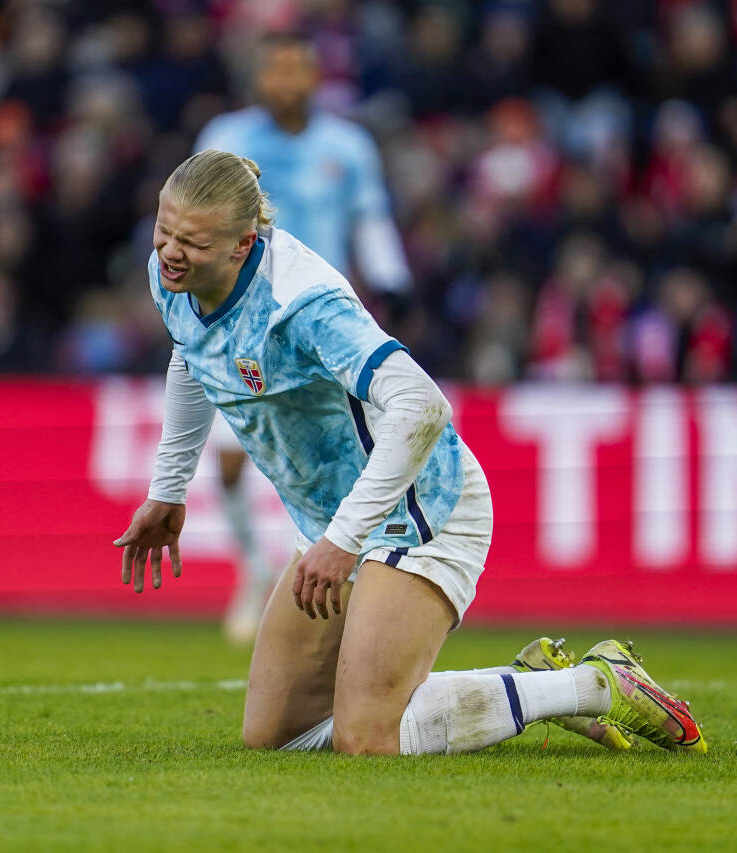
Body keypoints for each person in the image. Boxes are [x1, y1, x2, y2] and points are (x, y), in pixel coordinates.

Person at [113, 150, 708, 756]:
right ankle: (529, 685)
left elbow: (424, 406)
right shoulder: (172, 277)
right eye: (164, 231)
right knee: (275, 736)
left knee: (368, 737)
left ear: (244, 243)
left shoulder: (303, 306)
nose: (169, 252)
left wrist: (344, 540)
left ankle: (592, 685)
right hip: (335, 521)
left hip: (422, 509)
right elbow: (192, 352)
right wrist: (168, 488)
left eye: (192, 241)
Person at [193, 33, 414, 643]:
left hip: (322, 325)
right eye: (276, 71)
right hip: (239, 324)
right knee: (233, 462)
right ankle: (252, 570)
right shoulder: (228, 140)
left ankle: (354, 575)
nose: (287, 82)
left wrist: (396, 285)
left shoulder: (348, 146)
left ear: (316, 77)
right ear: (259, 79)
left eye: (298, 70)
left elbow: (370, 220)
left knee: (342, 455)